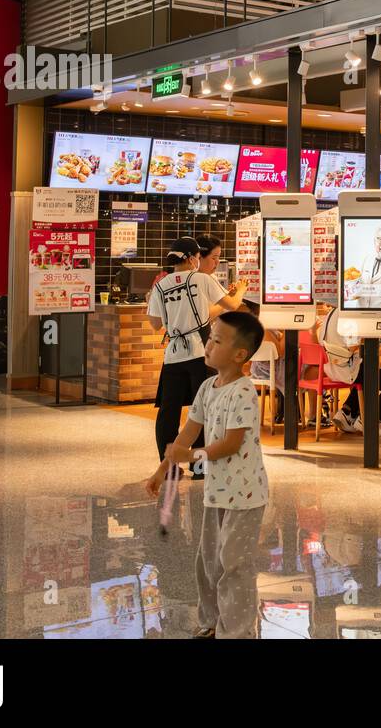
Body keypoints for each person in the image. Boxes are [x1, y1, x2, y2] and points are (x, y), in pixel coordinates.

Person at [145, 311, 268, 639]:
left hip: (245, 495)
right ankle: (212, 622)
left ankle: (237, 630)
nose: (208, 345)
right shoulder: (206, 387)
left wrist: (194, 455)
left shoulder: (243, 391)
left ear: (240, 354)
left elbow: (231, 442)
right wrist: (162, 470)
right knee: (209, 562)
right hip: (217, 492)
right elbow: (187, 433)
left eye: (217, 340)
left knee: (234, 563)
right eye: (209, 338)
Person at [147, 237, 246, 471]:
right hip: (200, 354)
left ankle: (168, 464)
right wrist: (240, 289)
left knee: (168, 412)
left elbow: (154, 324)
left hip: (173, 355)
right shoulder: (201, 279)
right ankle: (199, 467)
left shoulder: (161, 285)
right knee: (202, 410)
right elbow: (232, 305)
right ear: (193, 258)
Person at [316, 303, 381, 434]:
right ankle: (369, 421)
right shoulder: (348, 315)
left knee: (366, 373)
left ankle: (346, 412)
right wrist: (367, 334)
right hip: (346, 367)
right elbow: (352, 346)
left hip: (332, 368)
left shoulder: (331, 313)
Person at [347, 223, 381, 308]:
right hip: (360, 313)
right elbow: (357, 285)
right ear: (374, 242)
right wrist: (350, 289)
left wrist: (379, 291)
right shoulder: (366, 259)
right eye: (380, 239)